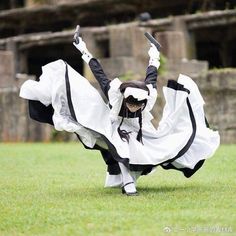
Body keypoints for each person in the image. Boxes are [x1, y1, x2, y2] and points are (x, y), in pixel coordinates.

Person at [20, 28, 220, 196]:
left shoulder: (146, 94)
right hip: (114, 127)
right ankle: (127, 184)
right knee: (120, 148)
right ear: (125, 98)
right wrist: (83, 49)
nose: (134, 106)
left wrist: (155, 54)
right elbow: (98, 72)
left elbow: (152, 73)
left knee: (155, 150)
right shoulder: (115, 94)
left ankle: (129, 181)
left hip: (139, 131)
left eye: (138, 103)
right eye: (132, 102)